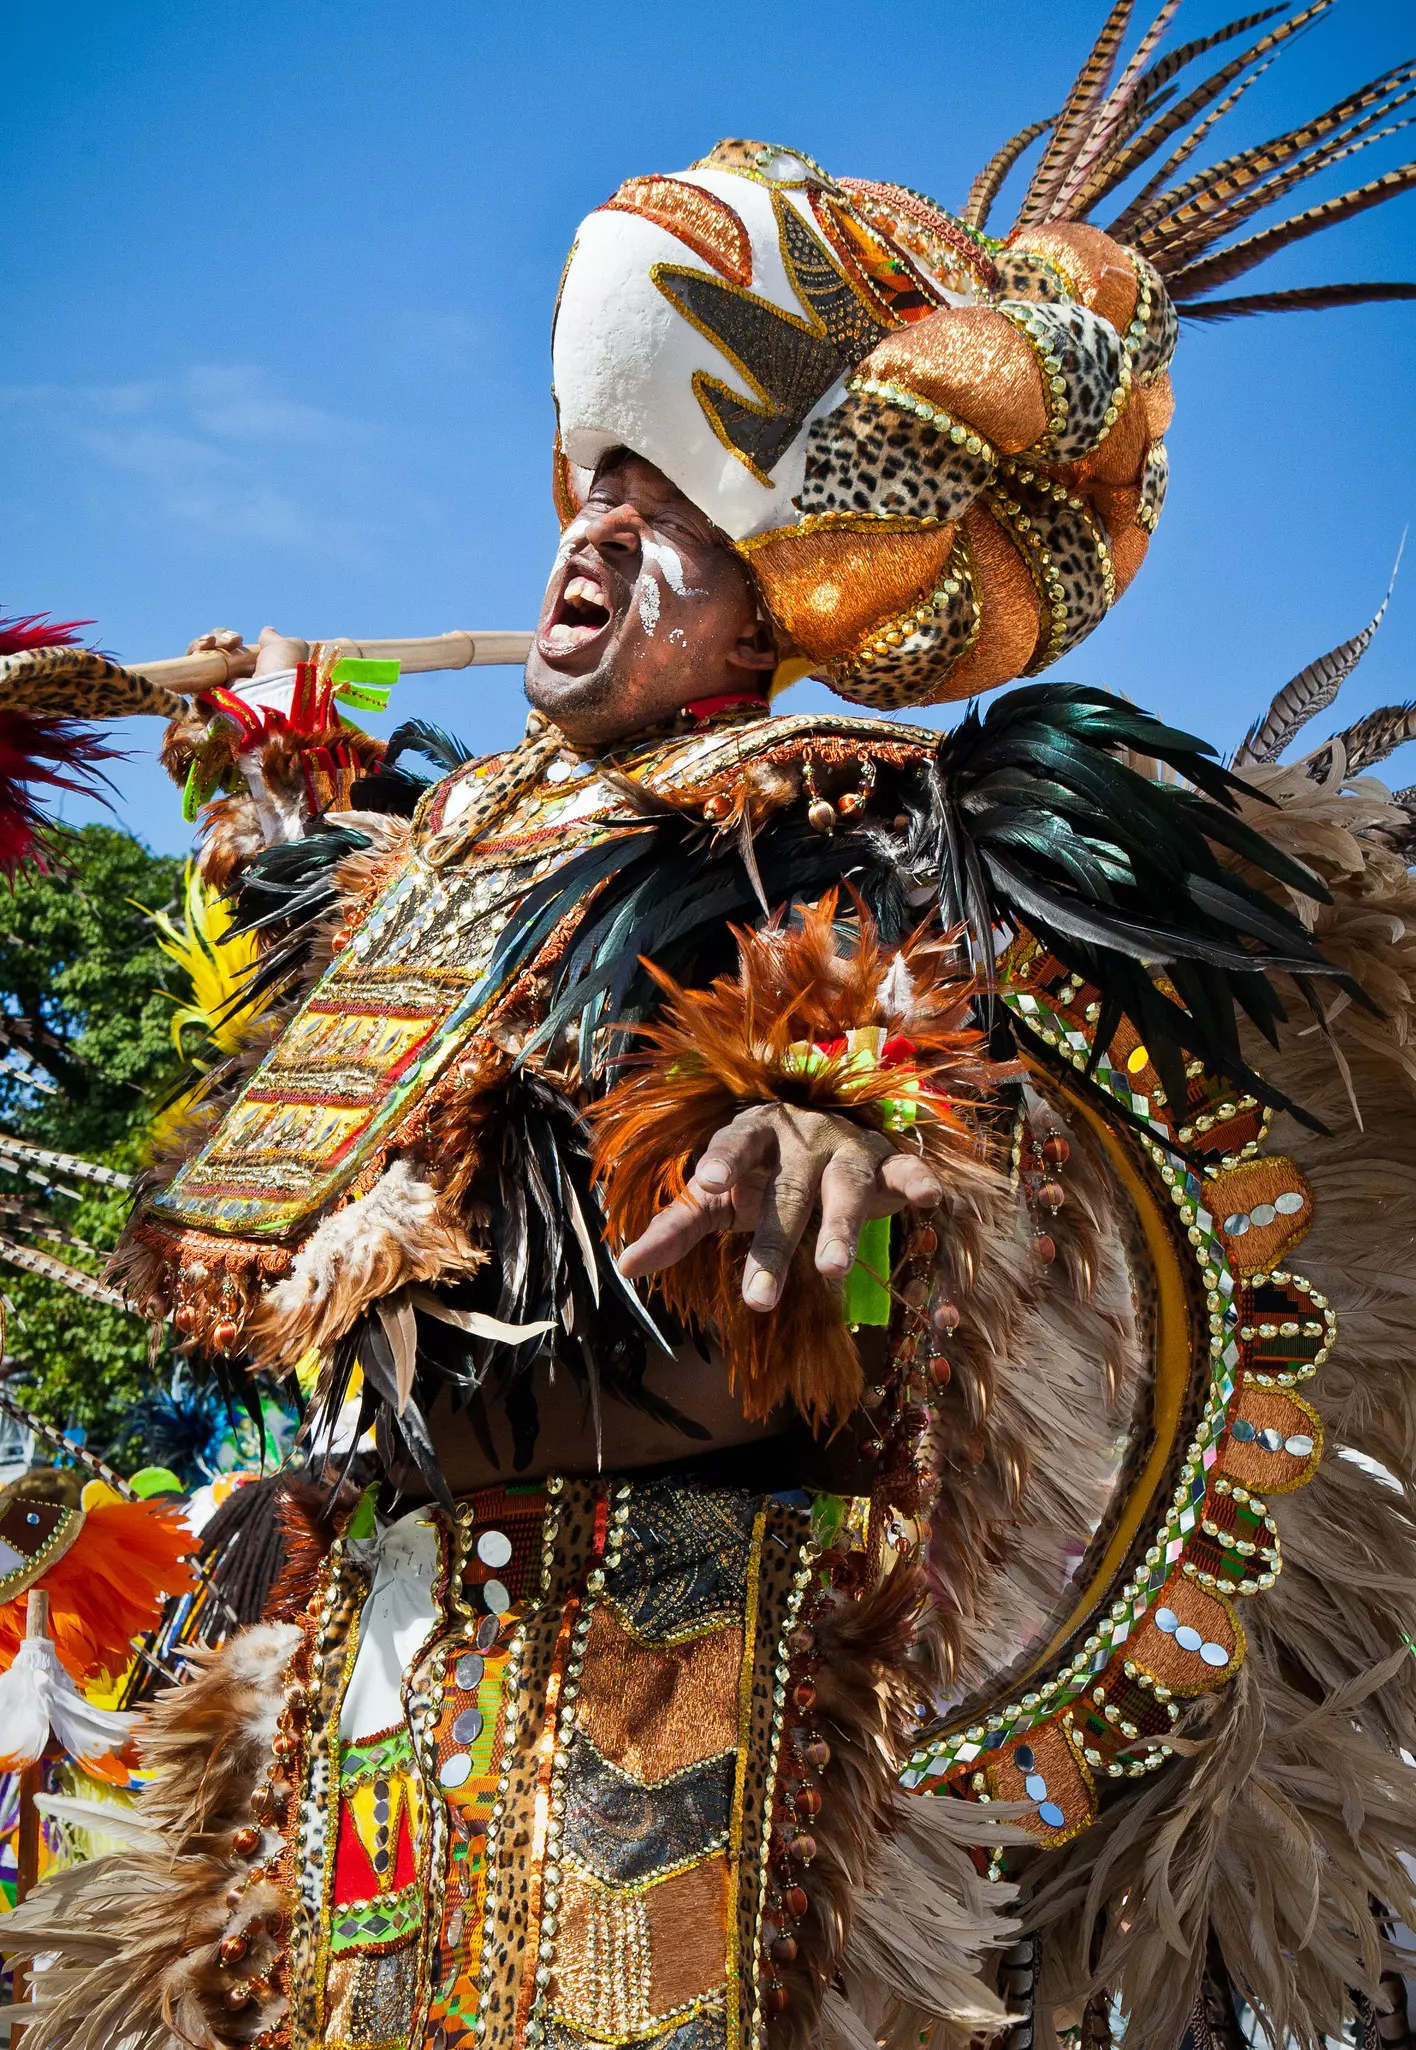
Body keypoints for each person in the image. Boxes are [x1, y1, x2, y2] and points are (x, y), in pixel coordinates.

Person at [5, 11, 1416, 2048]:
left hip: (672, 1724)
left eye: (667, 509)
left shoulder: (832, 824)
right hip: (373, 1701)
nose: (592, 534)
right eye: (590, 482)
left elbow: (894, 1233)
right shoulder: (463, 854)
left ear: (774, 597)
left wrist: (836, 1190)